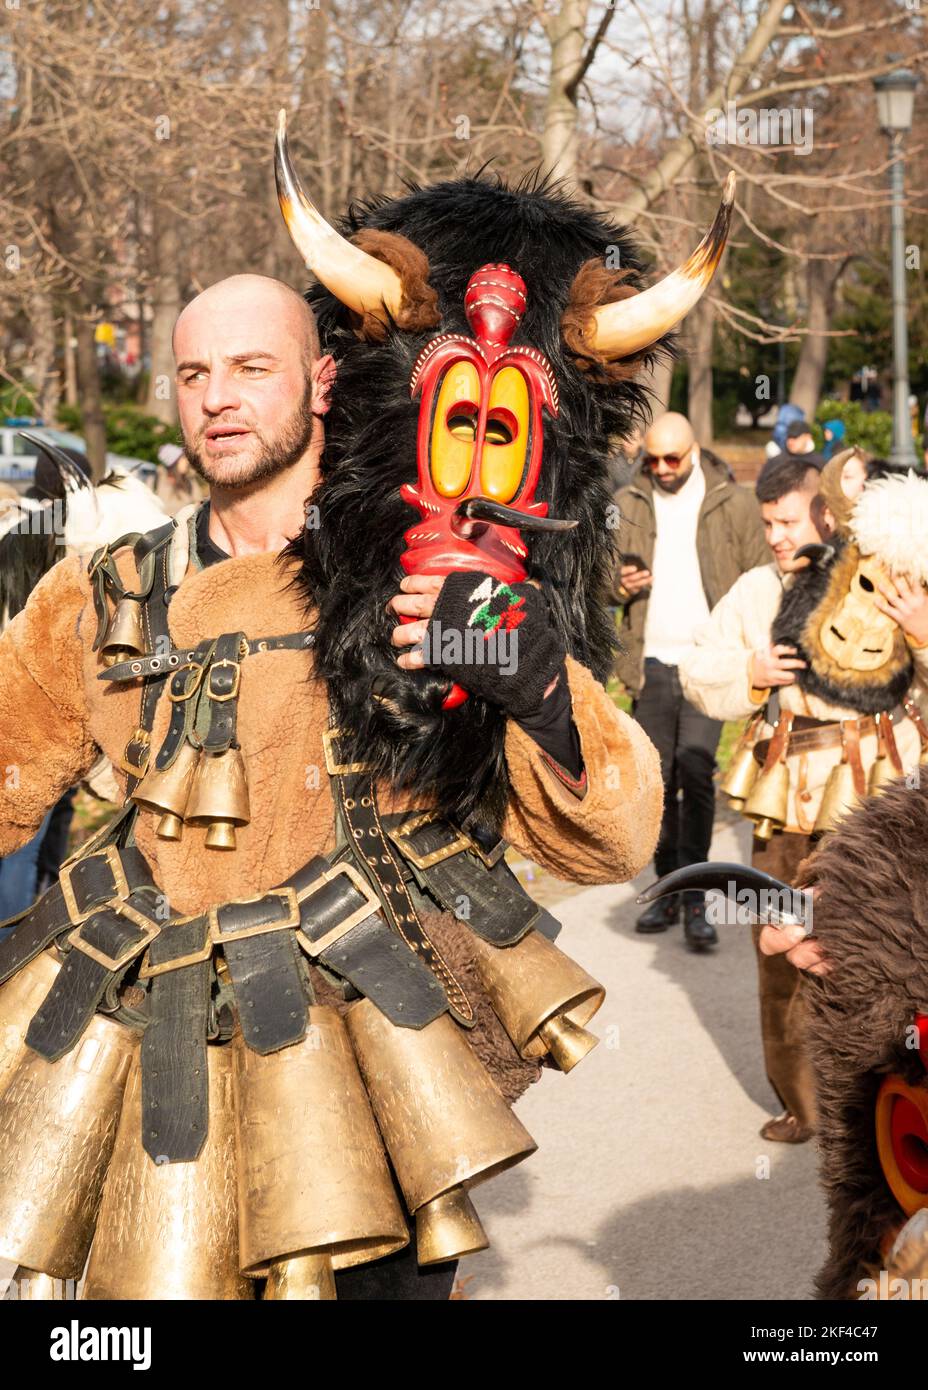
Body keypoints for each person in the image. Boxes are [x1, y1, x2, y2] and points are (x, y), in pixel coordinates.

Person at [0, 108, 740, 1295]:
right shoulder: (103, 590)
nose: (217, 401)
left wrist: (542, 692)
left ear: (326, 376)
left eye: (251, 369)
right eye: (194, 373)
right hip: (155, 1075)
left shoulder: (449, 587)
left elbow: (612, 839)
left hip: (373, 1082)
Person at [678, 452, 928, 1142]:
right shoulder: (760, 590)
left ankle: (893, 1096)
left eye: (788, 520)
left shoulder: (891, 579)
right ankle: (803, 1103)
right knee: (776, 947)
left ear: (826, 512)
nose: (779, 536)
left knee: (883, 942)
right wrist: (750, 672)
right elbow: (697, 668)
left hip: (876, 796)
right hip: (782, 794)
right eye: (769, 522)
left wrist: (924, 632)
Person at [612, 410, 768, 949]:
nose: (661, 468)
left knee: (697, 772)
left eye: (671, 458)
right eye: (651, 459)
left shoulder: (734, 502)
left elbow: (762, 578)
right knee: (658, 782)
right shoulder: (628, 502)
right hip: (650, 662)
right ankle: (667, 888)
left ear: (695, 452)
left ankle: (697, 894)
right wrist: (621, 583)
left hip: (709, 663)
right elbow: (599, 580)